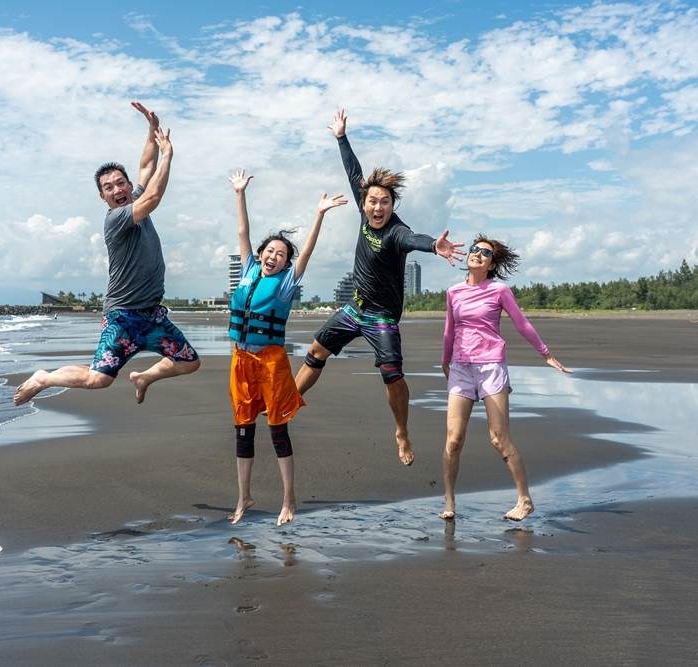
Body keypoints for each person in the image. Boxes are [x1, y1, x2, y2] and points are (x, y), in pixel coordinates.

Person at [294, 109, 463, 466]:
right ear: (365, 203)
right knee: (316, 350)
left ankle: (401, 432)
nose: (377, 207)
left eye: (385, 202)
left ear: (391, 205)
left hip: (382, 317)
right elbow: (353, 171)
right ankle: (288, 400)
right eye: (372, 201)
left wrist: (434, 246)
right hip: (354, 308)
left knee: (393, 376)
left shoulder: (396, 231)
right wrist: (341, 137)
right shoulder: (363, 209)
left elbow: (414, 239)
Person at [13, 102, 200, 406]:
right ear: (103, 197)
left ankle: (144, 377)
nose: (117, 190)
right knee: (97, 379)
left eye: (120, 183)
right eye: (108, 188)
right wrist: (168, 154)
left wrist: (151, 131)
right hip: (123, 316)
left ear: (128, 186)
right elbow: (154, 196)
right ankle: (43, 377)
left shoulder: (133, 198)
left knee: (189, 362)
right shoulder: (117, 218)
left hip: (152, 315)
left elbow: (145, 168)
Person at [226, 169, 348, 526]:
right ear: (260, 254)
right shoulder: (248, 269)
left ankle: (288, 499)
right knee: (243, 428)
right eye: (270, 251)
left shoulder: (285, 284)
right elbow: (243, 232)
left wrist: (319, 214)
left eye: (281, 254)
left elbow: (306, 252)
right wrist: (239, 194)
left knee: (278, 429)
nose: (274, 256)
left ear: (285, 262)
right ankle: (244, 497)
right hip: (240, 361)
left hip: (271, 363)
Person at [439, 235, 571, 521]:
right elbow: (450, 330)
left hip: (491, 367)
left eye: (485, 253)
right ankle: (449, 502)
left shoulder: (499, 290)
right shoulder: (453, 292)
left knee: (499, 438)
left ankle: (525, 500)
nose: (477, 254)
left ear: (491, 264)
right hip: (461, 368)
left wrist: (546, 354)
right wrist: (444, 361)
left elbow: (522, 323)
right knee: (453, 440)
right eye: (474, 249)